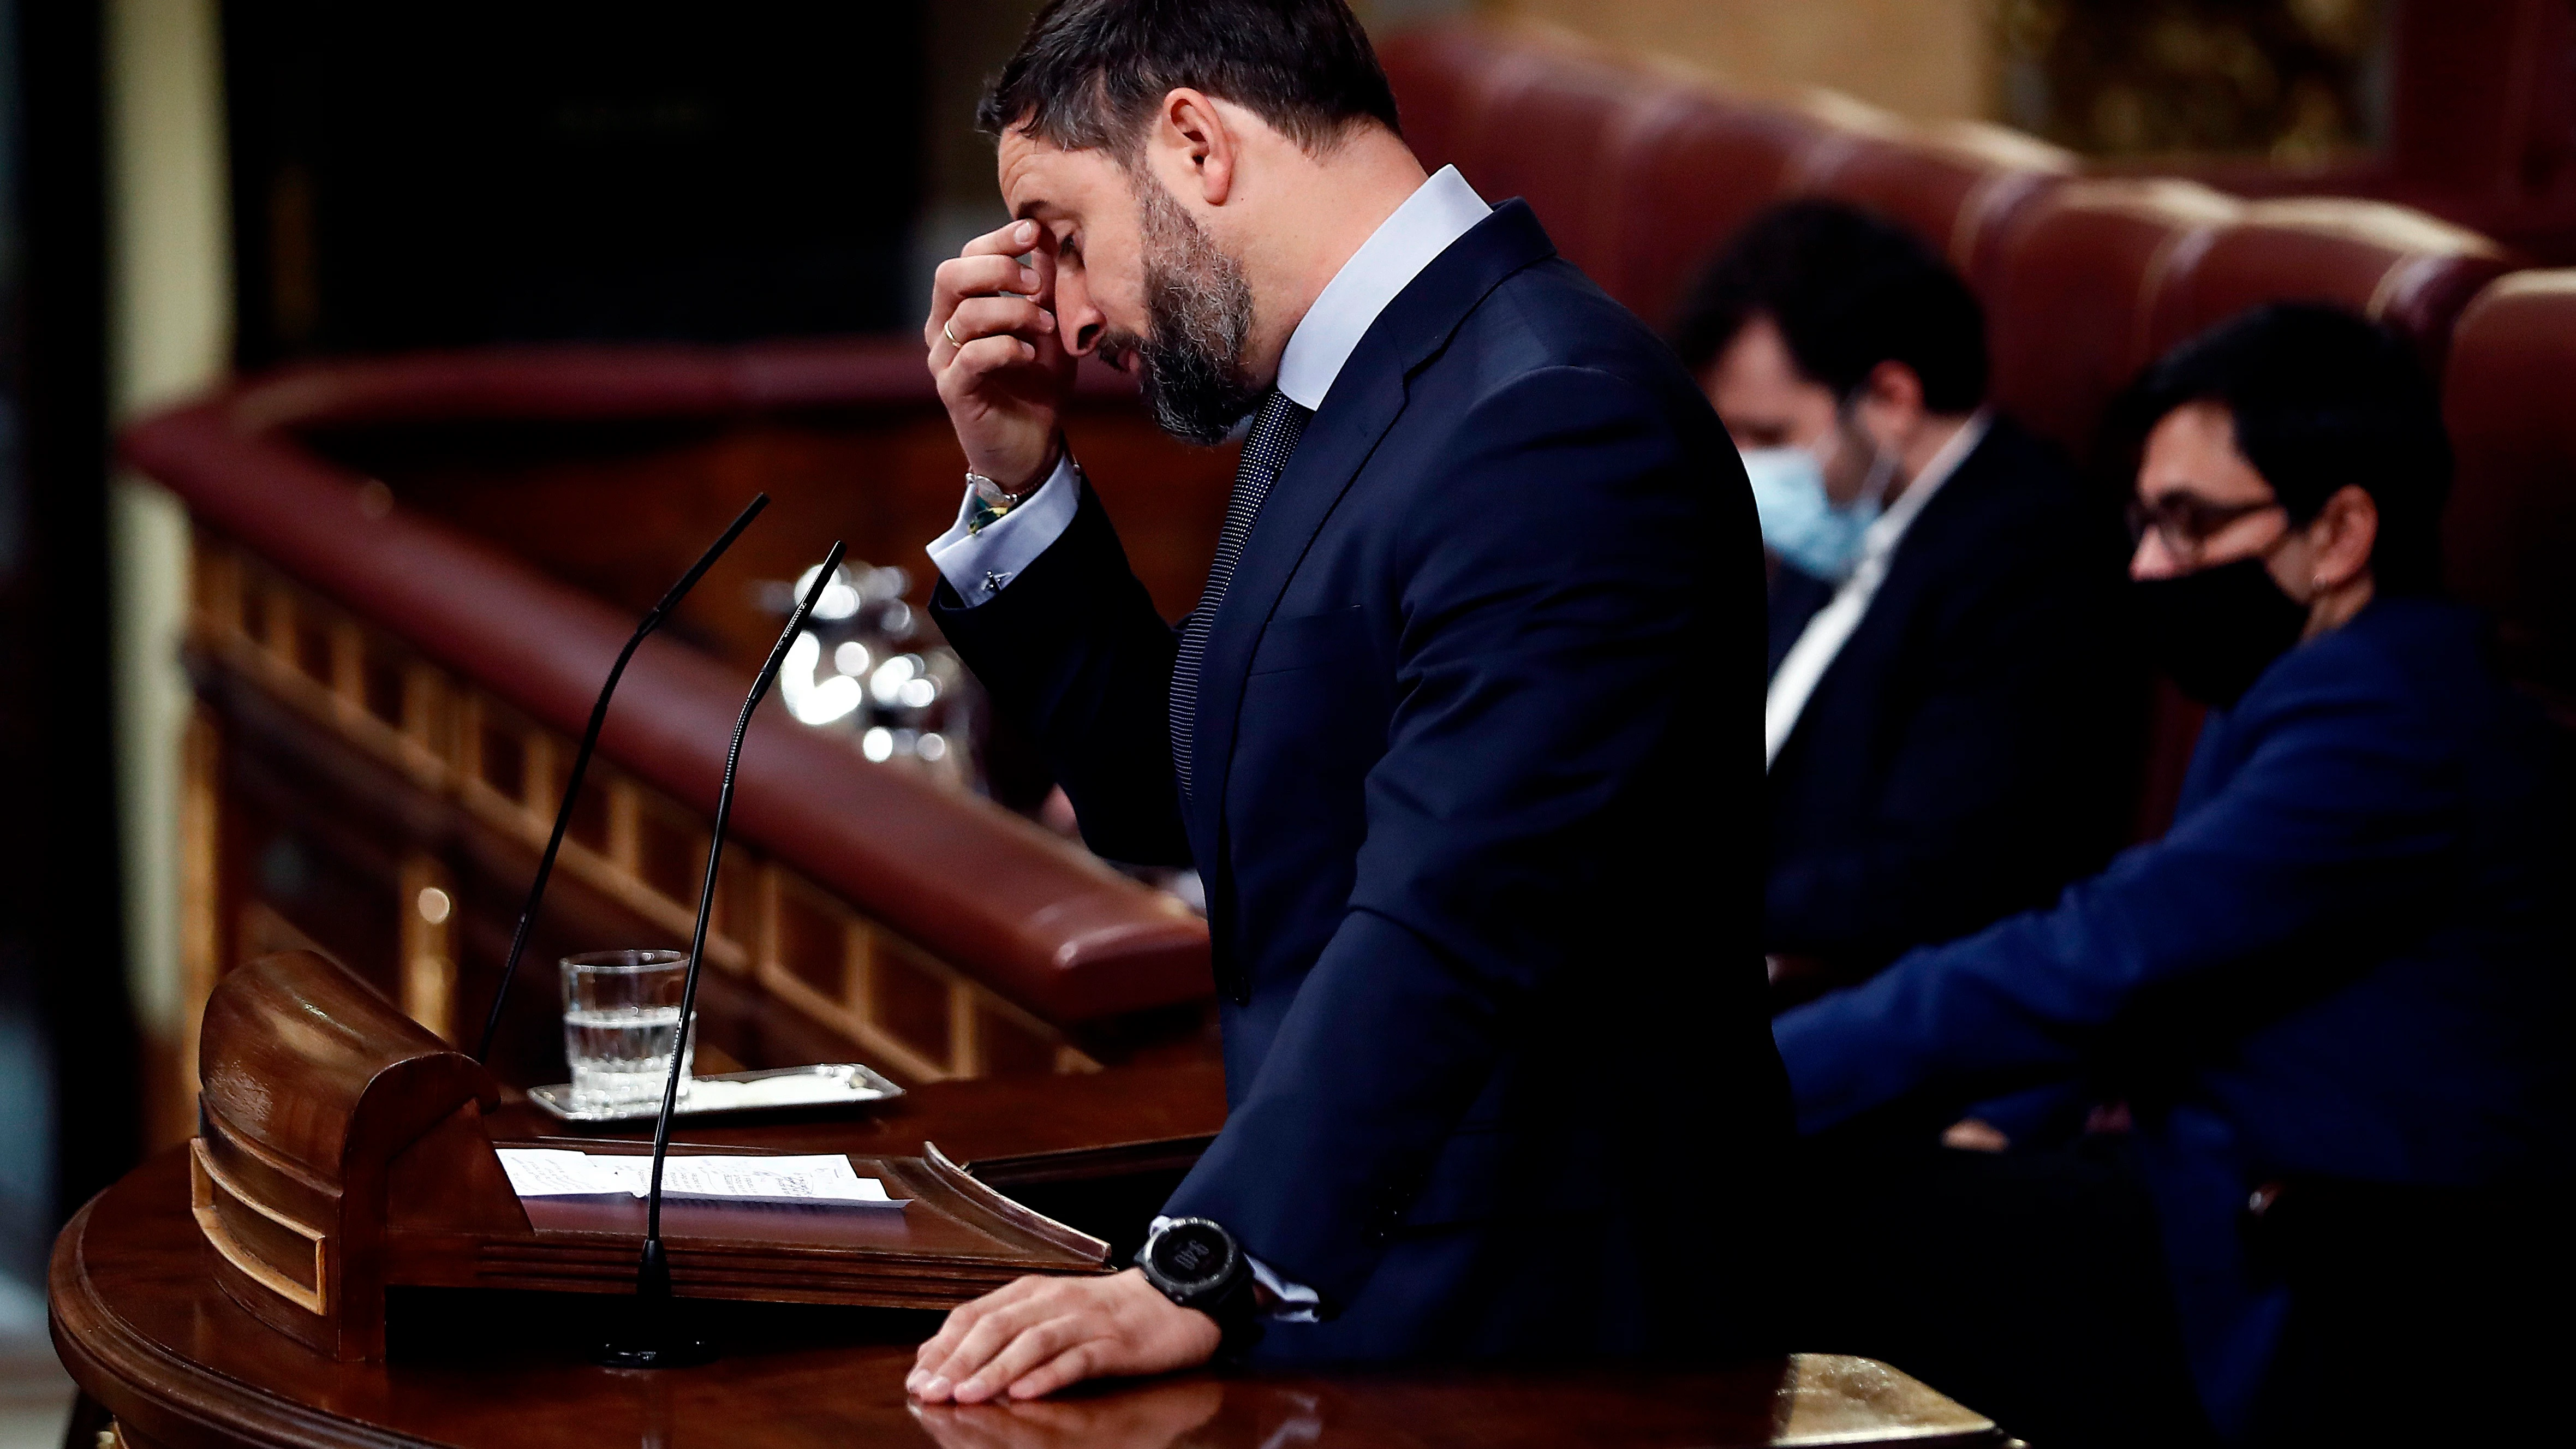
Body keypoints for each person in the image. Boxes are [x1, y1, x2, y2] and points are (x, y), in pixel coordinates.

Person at [904, 0, 1788, 1404]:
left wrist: (1202, 1259)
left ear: (1194, 142)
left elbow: (1460, 904)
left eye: (1065, 235)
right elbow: (1180, 790)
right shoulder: (1352, 395)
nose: (1062, 314)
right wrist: (1015, 484)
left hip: (1546, 1340)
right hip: (1393, 1281)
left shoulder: (1548, 414)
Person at [1773, 304, 2576, 1445]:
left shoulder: (2381, 719)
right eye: (2141, 522)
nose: (2148, 565)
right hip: (2181, 1176)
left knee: (1781, 1203)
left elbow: (2096, 952)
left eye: (2188, 525)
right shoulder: (2310, 675)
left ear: (2340, 529)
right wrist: (2004, 1112)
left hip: (2313, 1257)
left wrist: (1742, 1075)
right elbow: (2168, 964)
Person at [1672, 200, 2137, 992]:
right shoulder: (1848, 513)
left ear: (1890, 399)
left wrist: (1666, 908)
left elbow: (1938, 876)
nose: (1742, 467)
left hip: (1870, 1000)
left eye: (1770, 436)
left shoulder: (2030, 557)